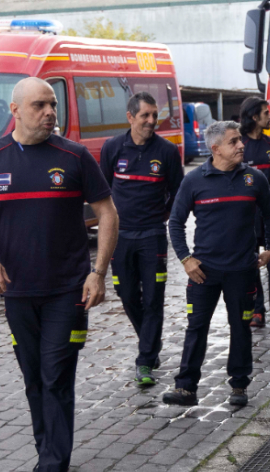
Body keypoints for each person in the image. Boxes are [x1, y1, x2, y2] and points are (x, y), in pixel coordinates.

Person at [0, 77, 119, 472]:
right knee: (34, 379)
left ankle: (50, 470)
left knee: (56, 376)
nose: (50, 112)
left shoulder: (75, 156)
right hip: (18, 292)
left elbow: (107, 213)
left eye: (53, 105)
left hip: (68, 291)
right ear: (16, 110)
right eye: (40, 105)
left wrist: (97, 272)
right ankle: (49, 452)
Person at [166, 121, 270, 408]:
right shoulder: (194, 180)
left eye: (240, 140)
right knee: (196, 328)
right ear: (215, 148)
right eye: (234, 141)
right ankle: (186, 388)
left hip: (242, 271)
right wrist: (185, 259)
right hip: (203, 272)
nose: (241, 145)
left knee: (240, 327)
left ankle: (239, 386)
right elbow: (175, 223)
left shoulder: (254, 179)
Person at [99, 92, 184, 387]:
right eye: (145, 115)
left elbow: (179, 194)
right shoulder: (112, 148)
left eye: (154, 115)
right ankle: (150, 342)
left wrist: (164, 218)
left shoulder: (167, 152)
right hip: (120, 238)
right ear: (130, 117)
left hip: (152, 236)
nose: (151, 121)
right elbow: (102, 193)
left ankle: (145, 360)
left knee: (153, 299)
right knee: (126, 296)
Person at [240, 97, 270, 331]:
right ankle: (256, 309)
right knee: (251, 261)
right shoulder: (238, 144)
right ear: (254, 117)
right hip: (247, 215)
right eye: (266, 113)